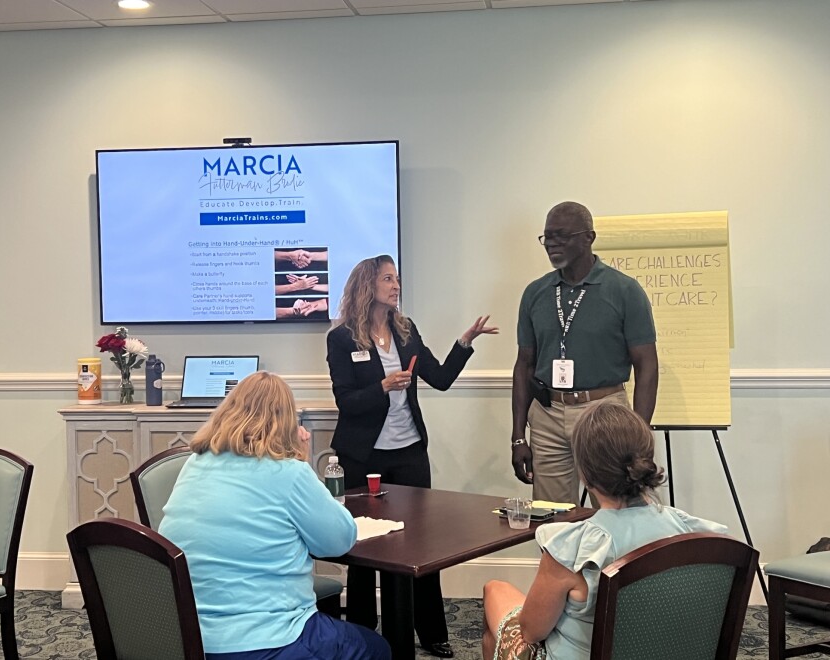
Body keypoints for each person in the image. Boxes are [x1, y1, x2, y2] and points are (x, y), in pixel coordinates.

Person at [326, 254, 497, 659]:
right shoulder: (342, 338)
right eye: (388, 278)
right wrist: (383, 386)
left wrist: (464, 343)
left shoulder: (406, 331)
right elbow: (346, 401)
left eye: (397, 278)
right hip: (364, 456)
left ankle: (433, 630)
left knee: (421, 546)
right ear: (368, 285)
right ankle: (363, 631)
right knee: (365, 546)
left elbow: (439, 378)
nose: (395, 285)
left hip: (408, 454)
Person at [159, 371, 390, 660]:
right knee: (377, 648)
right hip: (268, 640)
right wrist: (301, 461)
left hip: (189, 639)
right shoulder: (288, 472)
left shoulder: (196, 463)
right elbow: (340, 540)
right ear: (286, 422)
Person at [483, 401, 727, 660]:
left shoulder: (571, 550)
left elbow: (531, 632)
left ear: (585, 475)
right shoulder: (695, 534)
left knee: (493, 592)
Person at [511, 201, 658, 505]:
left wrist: (639, 435)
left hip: (603, 412)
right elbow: (524, 365)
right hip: (548, 414)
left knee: (618, 512)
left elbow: (647, 365)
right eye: (547, 237)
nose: (552, 244)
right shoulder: (535, 293)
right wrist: (518, 436)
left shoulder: (624, 290)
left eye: (562, 236)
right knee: (553, 517)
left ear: (589, 237)